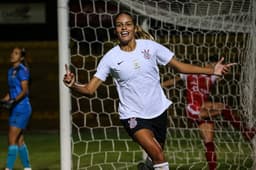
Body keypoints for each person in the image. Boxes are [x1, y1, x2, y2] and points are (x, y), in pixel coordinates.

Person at [63, 11, 235, 170]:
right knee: (159, 155)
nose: (124, 28)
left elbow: (180, 67)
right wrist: (73, 84)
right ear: (115, 30)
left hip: (158, 111)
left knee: (154, 159)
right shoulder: (110, 58)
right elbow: (89, 89)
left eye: (128, 24)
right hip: (132, 115)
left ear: (134, 27)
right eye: (119, 25)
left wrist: (212, 71)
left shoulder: (151, 47)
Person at [161, 55, 256, 170]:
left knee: (209, 142)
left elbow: (222, 75)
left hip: (204, 109)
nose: (216, 67)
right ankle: (245, 132)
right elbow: (175, 80)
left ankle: (213, 168)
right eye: (215, 64)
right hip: (193, 109)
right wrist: (160, 85)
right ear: (209, 63)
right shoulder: (189, 73)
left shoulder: (212, 77)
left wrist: (225, 70)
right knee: (222, 107)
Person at [0, 47, 32, 170]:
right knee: (19, 140)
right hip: (15, 108)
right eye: (12, 52)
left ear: (21, 57)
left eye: (16, 53)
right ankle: (27, 168)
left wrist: (13, 100)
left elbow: (24, 91)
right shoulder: (10, 71)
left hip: (22, 108)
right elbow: (12, 91)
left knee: (11, 138)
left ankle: (8, 168)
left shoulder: (22, 70)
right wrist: (4, 100)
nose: (12, 54)